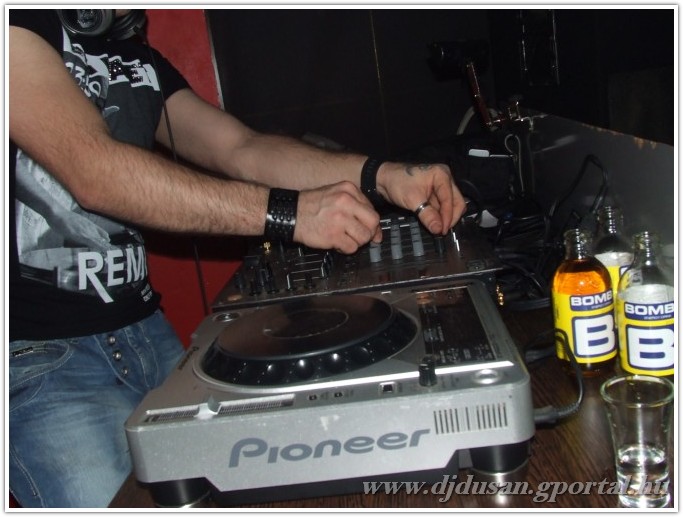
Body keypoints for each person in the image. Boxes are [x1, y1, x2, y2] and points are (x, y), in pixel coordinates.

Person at [8, 9, 467, 508]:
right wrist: (289, 213)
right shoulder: (17, 28)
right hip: (41, 358)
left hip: (147, 334)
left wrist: (381, 175)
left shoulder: (137, 58)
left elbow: (241, 148)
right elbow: (94, 170)